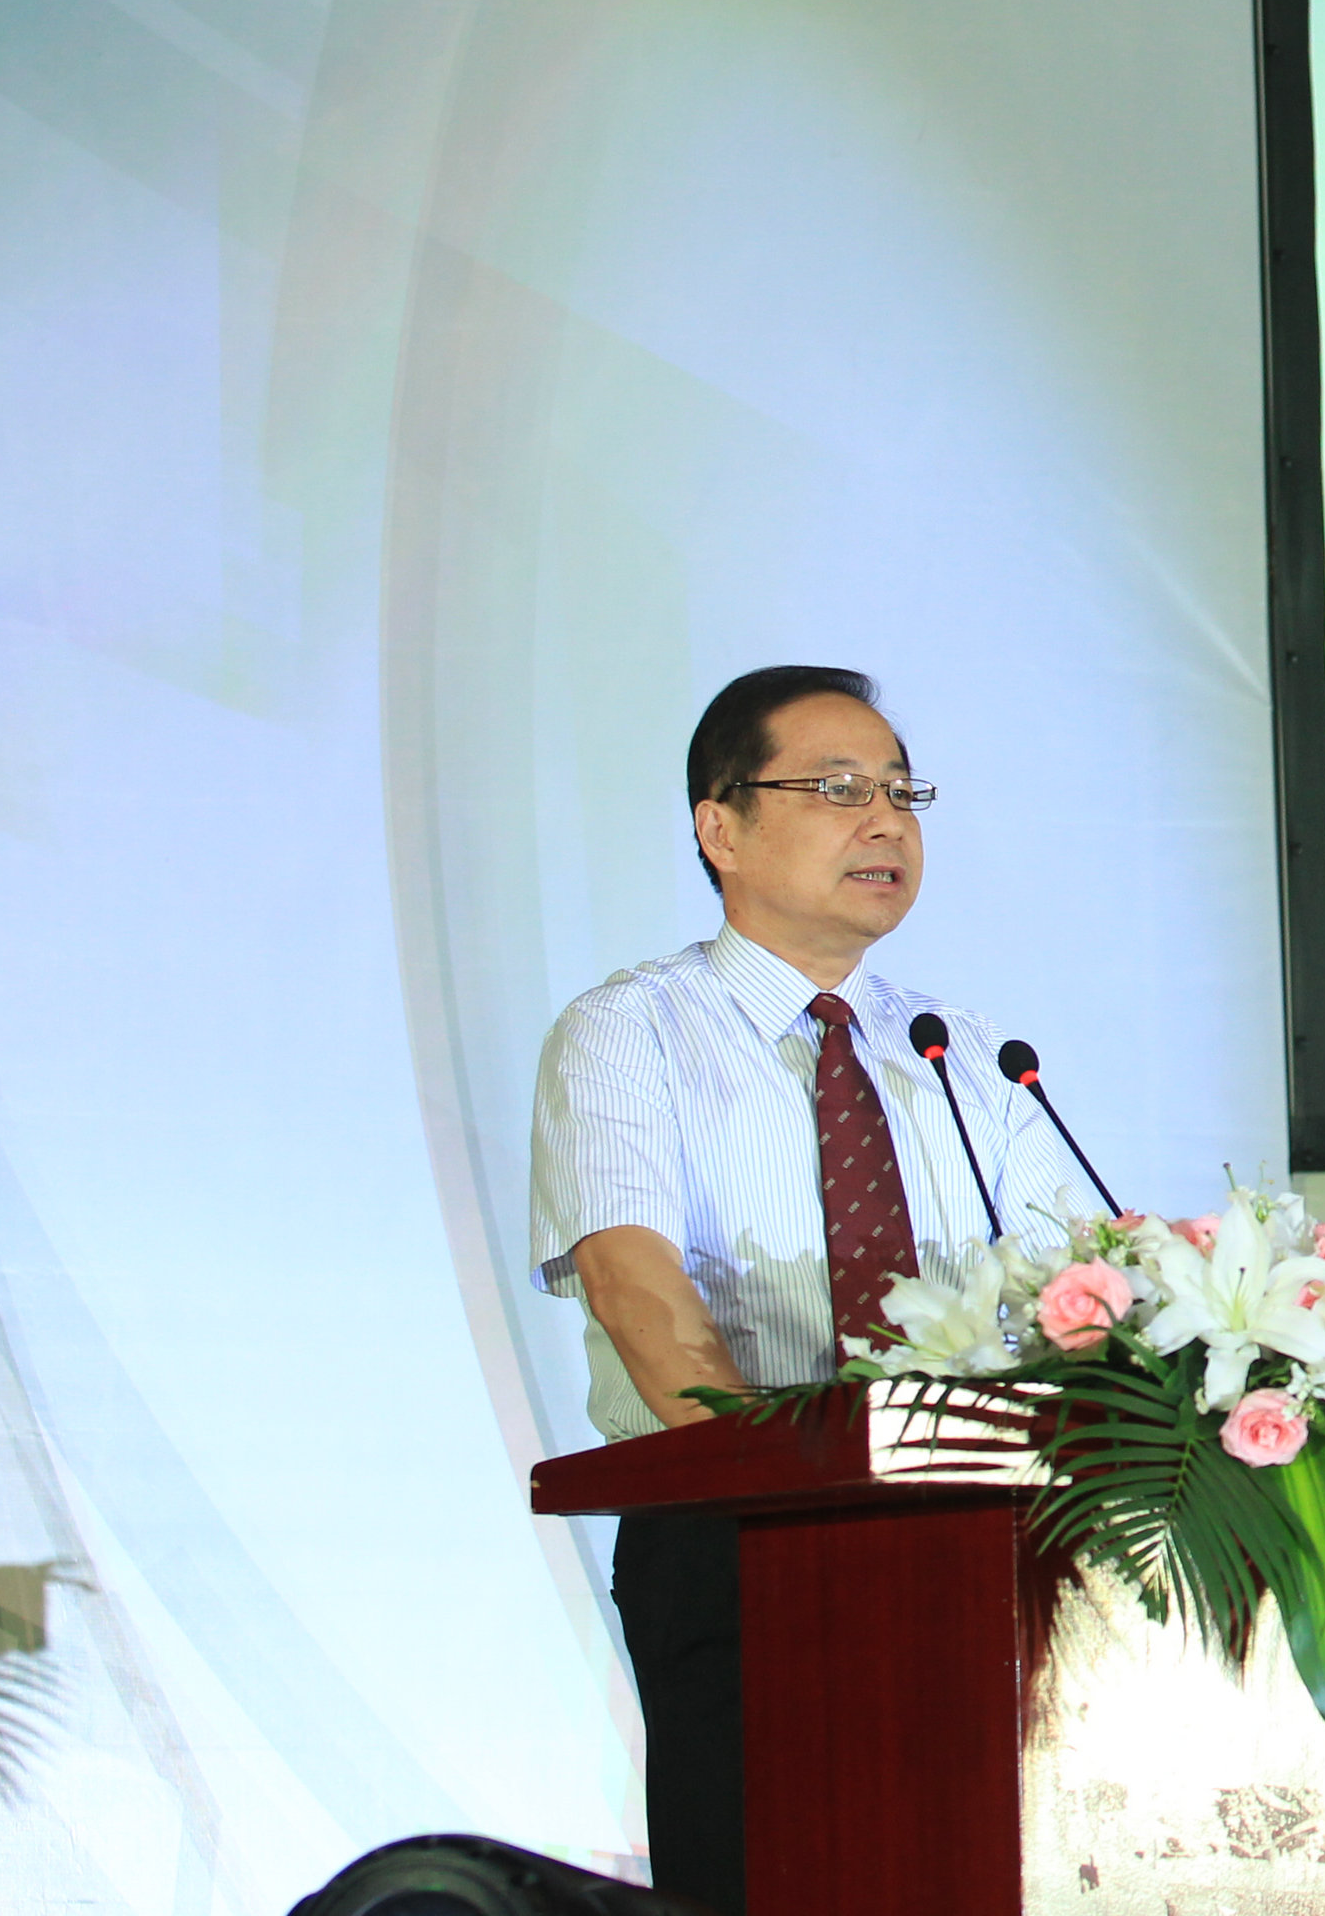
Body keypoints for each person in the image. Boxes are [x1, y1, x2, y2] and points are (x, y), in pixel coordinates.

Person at [527, 666, 1102, 1914]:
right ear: (721, 829)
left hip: (979, 1547)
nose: (885, 820)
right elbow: (633, 1284)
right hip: (743, 1550)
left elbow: (1085, 1291)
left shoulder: (962, 1052)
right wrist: (796, 1477)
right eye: (838, 789)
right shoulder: (630, 1033)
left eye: (902, 791)